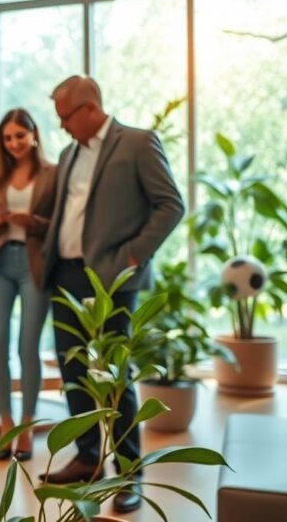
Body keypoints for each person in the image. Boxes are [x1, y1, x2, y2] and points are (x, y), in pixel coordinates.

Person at [39, 76, 185, 513]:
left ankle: (127, 472)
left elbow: (171, 204)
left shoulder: (137, 143)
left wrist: (132, 257)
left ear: (89, 108)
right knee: (75, 372)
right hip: (64, 276)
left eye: (65, 116)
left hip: (111, 279)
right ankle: (87, 458)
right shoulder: (68, 154)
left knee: (115, 376)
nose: (62, 126)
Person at [0, 108, 57, 462]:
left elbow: (58, 223)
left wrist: (32, 221)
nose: (14, 144)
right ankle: (5, 421)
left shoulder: (52, 174)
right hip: (1, 264)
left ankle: (26, 423)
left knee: (28, 347)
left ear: (34, 135)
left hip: (34, 264)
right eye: (7, 138)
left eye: (19, 136)